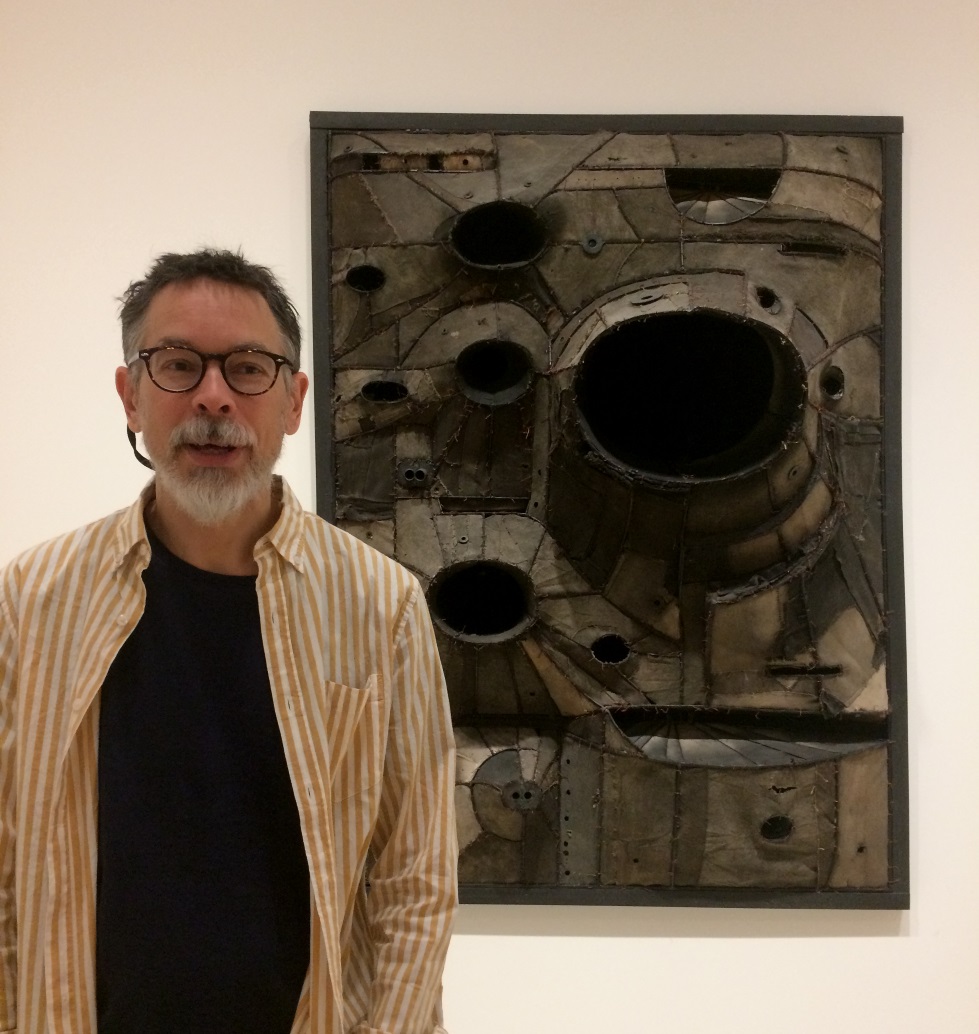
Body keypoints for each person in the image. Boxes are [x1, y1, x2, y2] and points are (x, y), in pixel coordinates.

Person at [0, 249, 458, 1034]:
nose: (213, 397)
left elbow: (413, 880)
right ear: (131, 396)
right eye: (178, 364)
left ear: (293, 401)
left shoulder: (378, 605)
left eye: (247, 368)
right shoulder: (35, 598)